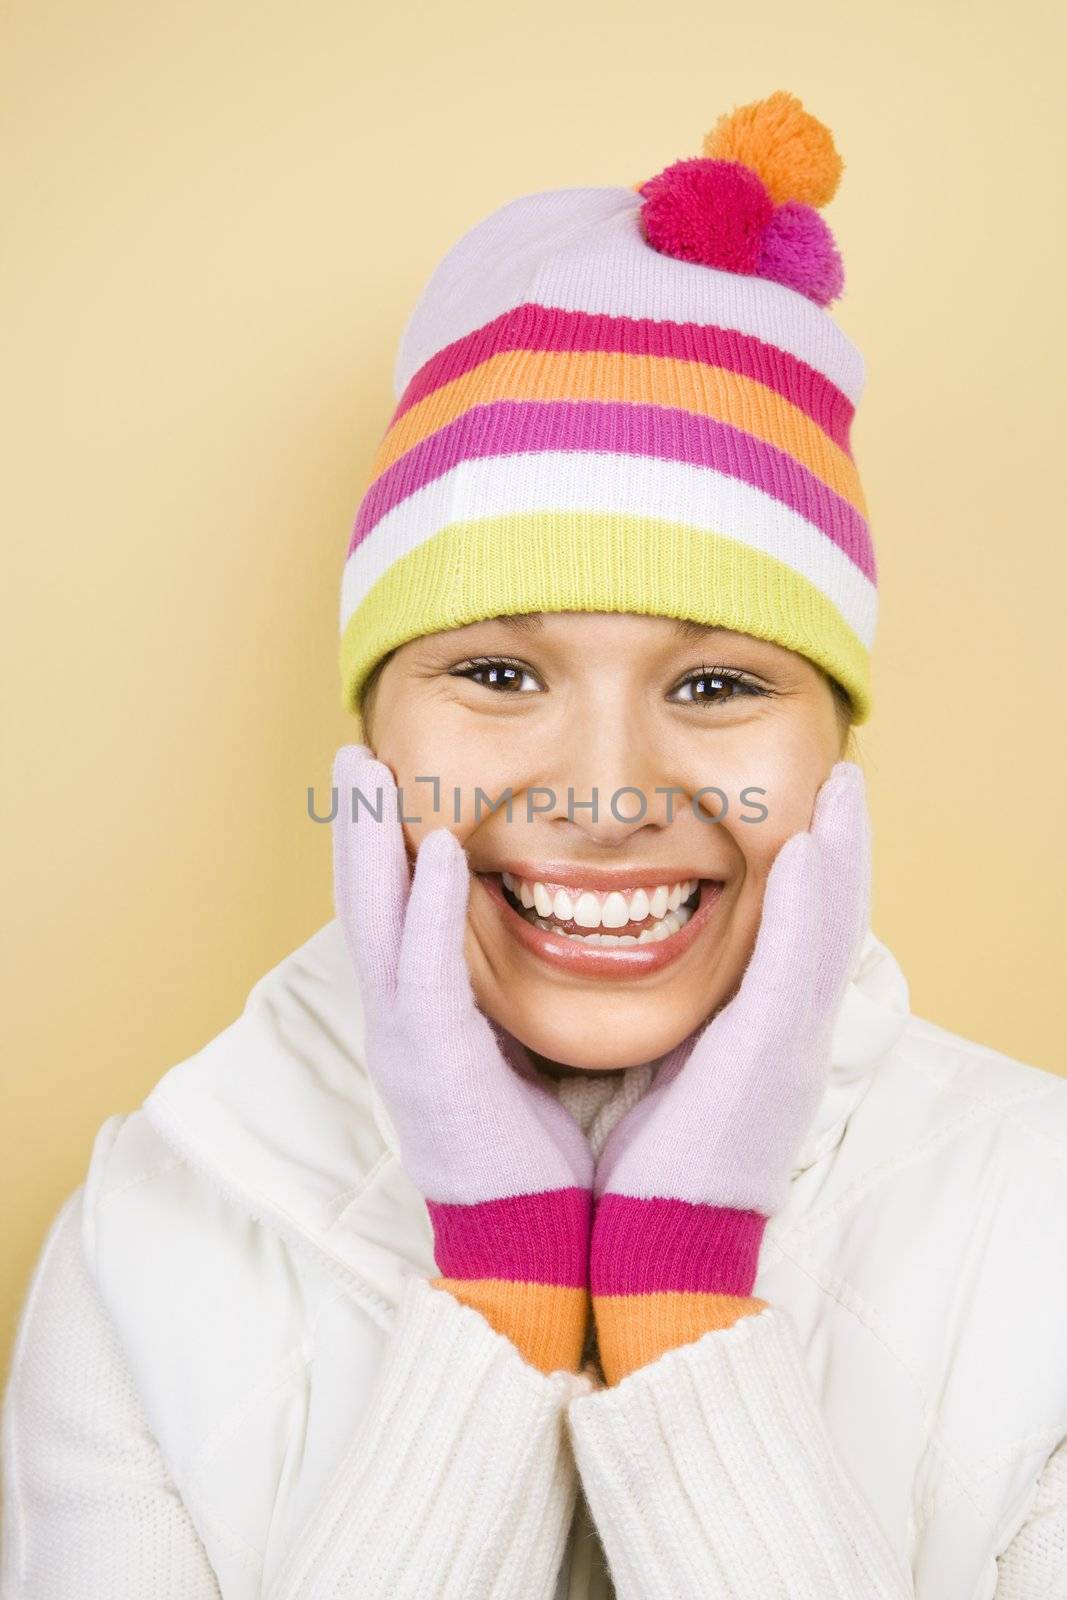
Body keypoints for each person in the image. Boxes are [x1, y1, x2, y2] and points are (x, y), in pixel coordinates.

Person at [3, 89, 1066, 1600]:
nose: (608, 792)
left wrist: (684, 1309)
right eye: (498, 676)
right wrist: (497, 1297)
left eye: (717, 683)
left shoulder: (1049, 1221)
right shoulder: (151, 1234)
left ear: (837, 753)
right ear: (375, 747)